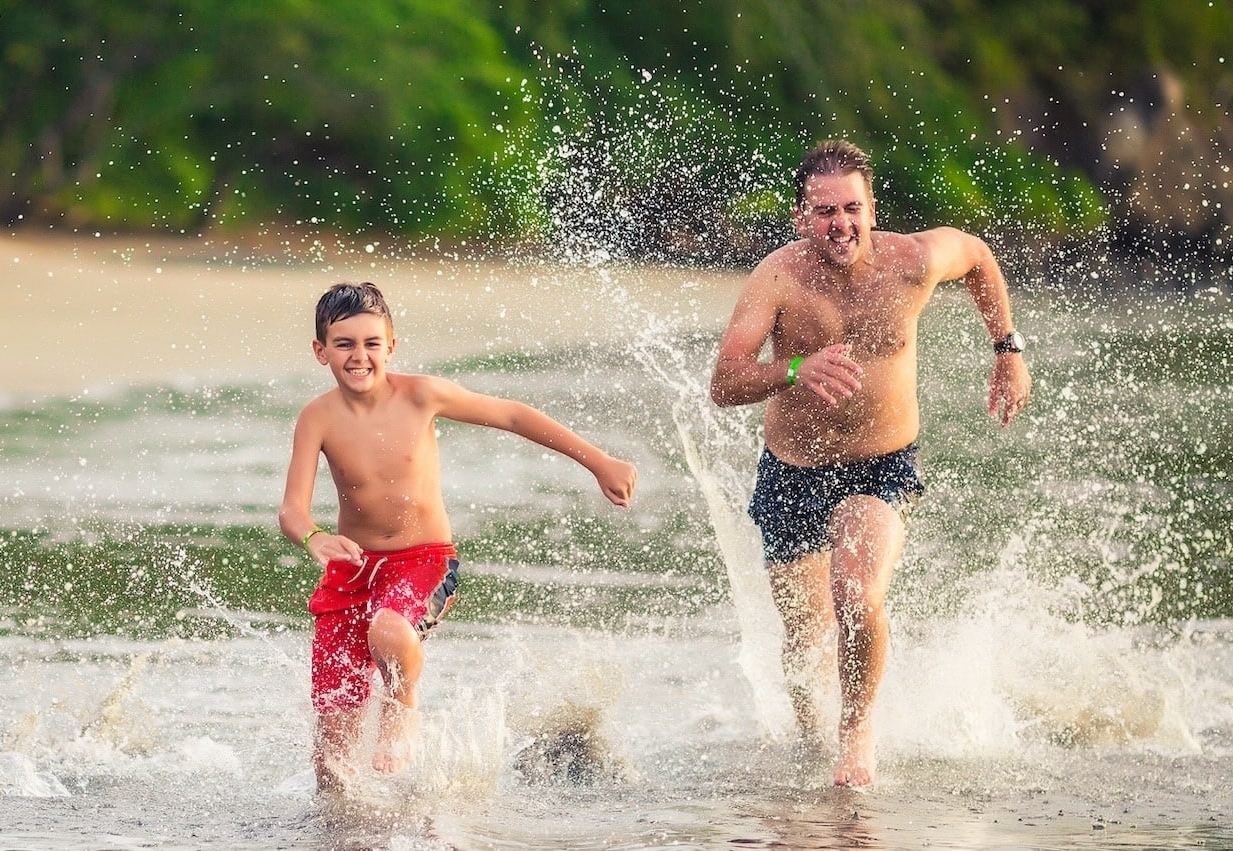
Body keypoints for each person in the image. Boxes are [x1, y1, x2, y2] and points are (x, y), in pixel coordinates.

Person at [709, 140, 1032, 787]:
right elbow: (725, 382)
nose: (841, 224)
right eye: (824, 211)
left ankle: (856, 736)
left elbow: (978, 258)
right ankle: (811, 743)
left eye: (852, 208)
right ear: (802, 217)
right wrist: (795, 368)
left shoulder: (912, 261)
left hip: (881, 466)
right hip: (793, 471)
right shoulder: (778, 278)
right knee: (805, 647)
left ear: (872, 207)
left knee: (856, 592)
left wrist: (1007, 346)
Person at [278, 282, 637, 794]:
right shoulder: (318, 417)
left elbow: (512, 415)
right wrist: (314, 537)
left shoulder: (422, 395)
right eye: (344, 345)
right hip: (352, 571)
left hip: (424, 560)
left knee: (388, 627)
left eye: (371, 343)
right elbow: (293, 509)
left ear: (391, 345)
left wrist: (600, 461)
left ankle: (404, 708)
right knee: (332, 762)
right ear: (321, 351)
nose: (359, 357)